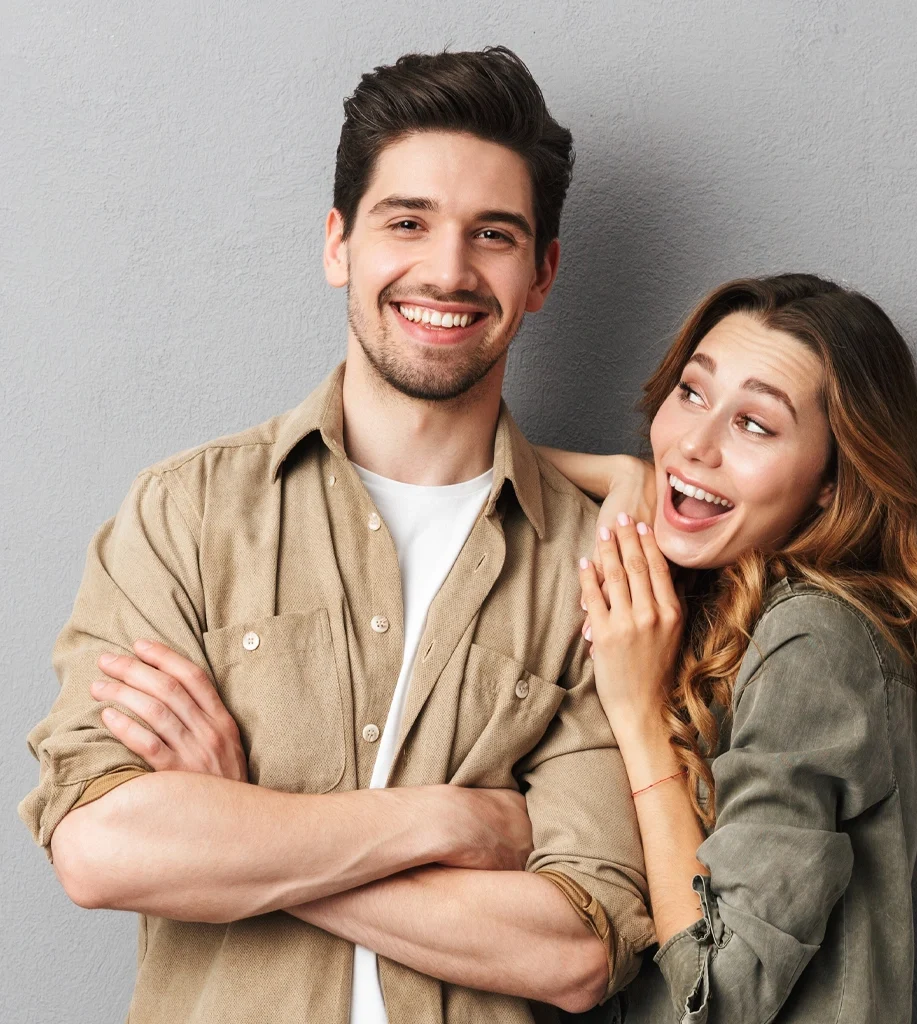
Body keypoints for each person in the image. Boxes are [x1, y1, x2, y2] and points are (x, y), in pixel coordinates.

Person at [18, 47, 655, 1024]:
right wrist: (453, 819)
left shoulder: (595, 571)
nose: (447, 269)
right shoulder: (188, 514)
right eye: (408, 222)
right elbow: (104, 848)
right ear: (338, 244)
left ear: (541, 274)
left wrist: (242, 826)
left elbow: (574, 945)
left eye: (493, 234)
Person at [545, 273, 917, 1022]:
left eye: (756, 425)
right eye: (692, 393)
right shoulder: (733, 601)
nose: (695, 444)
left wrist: (637, 713)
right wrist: (627, 473)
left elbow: (718, 997)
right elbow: (464, 460)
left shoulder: (817, 639)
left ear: (831, 480)